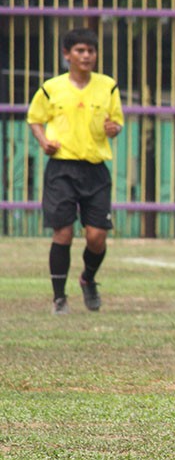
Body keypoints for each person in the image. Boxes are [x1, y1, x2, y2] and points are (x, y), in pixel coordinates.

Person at [27, 27, 124, 314]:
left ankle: (88, 279)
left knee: (96, 236)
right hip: (62, 169)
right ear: (67, 54)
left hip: (95, 169)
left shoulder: (108, 86)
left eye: (90, 51)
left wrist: (113, 129)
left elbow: (116, 123)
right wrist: (44, 141)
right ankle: (59, 298)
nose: (86, 56)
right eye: (80, 51)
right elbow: (34, 118)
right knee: (63, 233)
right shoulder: (51, 88)